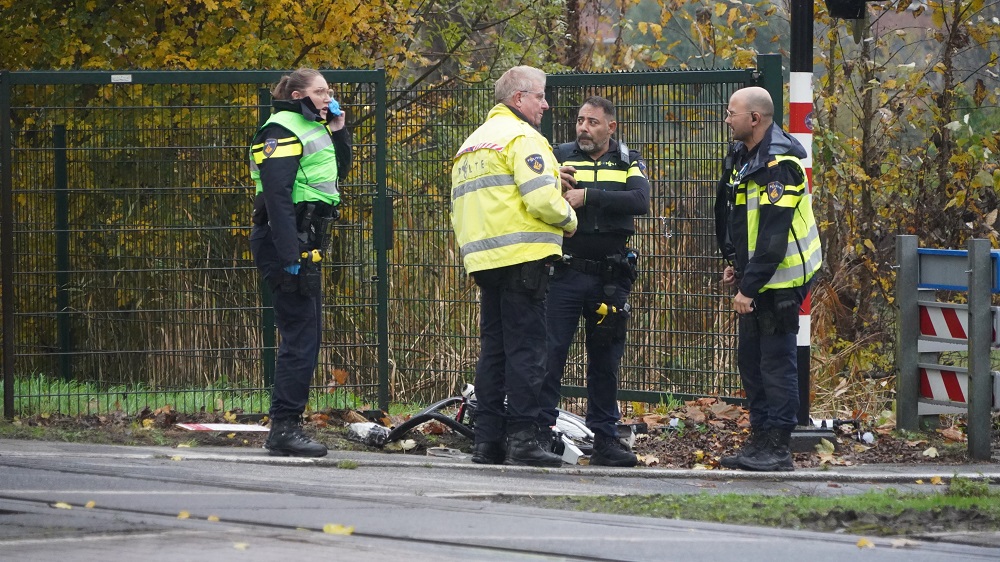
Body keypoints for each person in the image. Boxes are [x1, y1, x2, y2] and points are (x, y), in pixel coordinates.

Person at [451, 65, 578, 467]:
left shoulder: (472, 143)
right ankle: (524, 438)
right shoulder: (525, 137)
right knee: (527, 350)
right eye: (540, 96)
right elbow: (540, 202)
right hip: (524, 258)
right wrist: (570, 219)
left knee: (494, 351)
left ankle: (487, 442)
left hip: (485, 261)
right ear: (518, 98)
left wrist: (550, 179)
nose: (545, 103)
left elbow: (494, 195)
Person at [537, 97, 650, 467]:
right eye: (580, 120)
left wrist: (589, 196)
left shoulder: (627, 159)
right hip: (566, 273)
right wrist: (556, 185)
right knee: (550, 355)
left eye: (593, 122)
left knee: (605, 360)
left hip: (610, 278)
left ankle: (605, 439)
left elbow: (639, 200)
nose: (583, 127)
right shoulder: (558, 156)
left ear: (611, 128)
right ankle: (538, 432)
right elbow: (537, 195)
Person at [714, 86, 821, 471]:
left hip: (781, 281)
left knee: (776, 364)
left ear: (754, 119)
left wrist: (748, 287)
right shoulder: (746, 158)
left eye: (732, 113)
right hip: (758, 278)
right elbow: (741, 219)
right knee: (752, 362)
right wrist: (737, 264)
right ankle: (758, 441)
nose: (727, 119)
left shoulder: (781, 165)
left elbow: (774, 237)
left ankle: (778, 447)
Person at [249, 68, 352, 457]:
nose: (328, 97)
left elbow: (336, 174)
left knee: (306, 335)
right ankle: (284, 429)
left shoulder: (313, 127)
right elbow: (276, 195)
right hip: (285, 242)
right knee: (300, 338)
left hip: (304, 241)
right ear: (297, 95)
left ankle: (286, 426)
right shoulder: (281, 130)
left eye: (329, 91)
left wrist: (339, 129)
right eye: (321, 91)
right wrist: (289, 253)